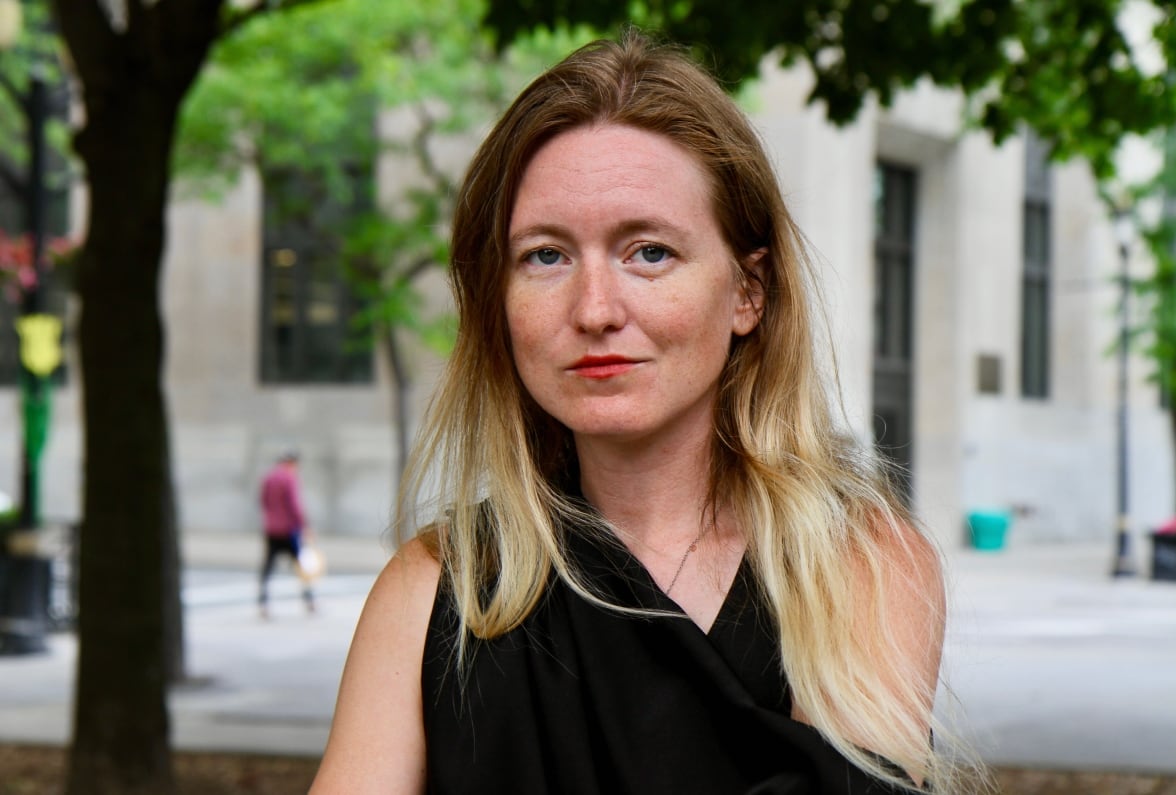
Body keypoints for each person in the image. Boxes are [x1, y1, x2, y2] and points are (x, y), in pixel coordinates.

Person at [313, 32, 983, 795]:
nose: (595, 309)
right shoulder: (437, 590)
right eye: (546, 256)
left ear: (747, 291)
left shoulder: (857, 565)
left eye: (649, 253)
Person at [258, 450, 316, 618]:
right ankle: (309, 600)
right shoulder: (289, 478)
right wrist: (305, 526)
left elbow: (262, 500)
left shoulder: (269, 477)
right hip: (289, 530)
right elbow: (294, 505)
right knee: (301, 566)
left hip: (271, 529)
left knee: (268, 567)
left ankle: (263, 603)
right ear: (292, 463)